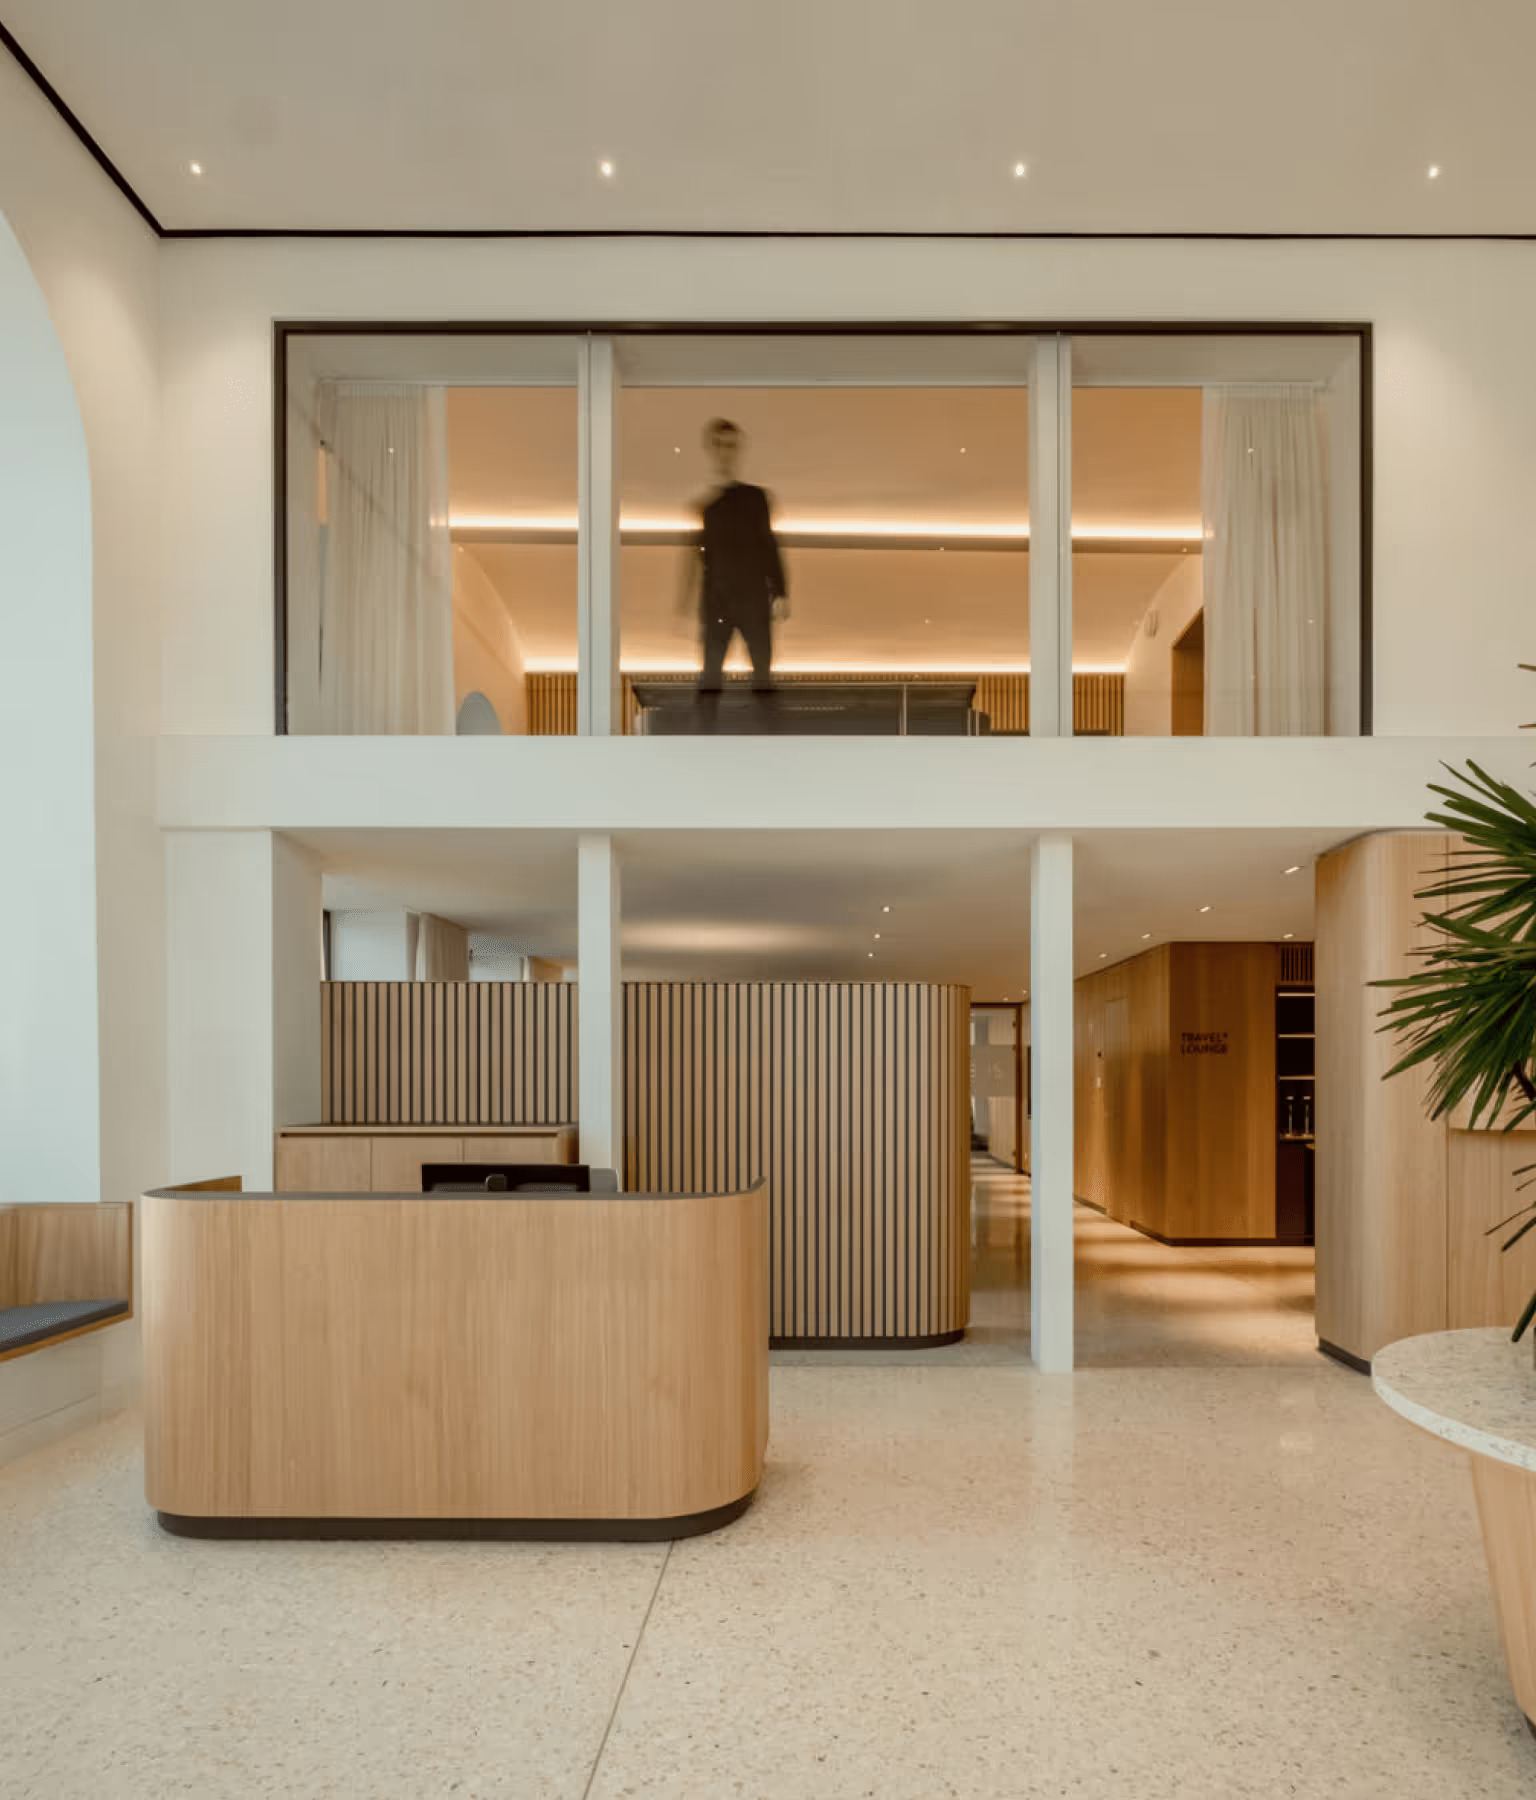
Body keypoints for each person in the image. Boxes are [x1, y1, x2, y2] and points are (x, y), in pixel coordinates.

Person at [680, 418, 789, 704]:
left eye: (730, 446)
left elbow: (767, 543)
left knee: (760, 674)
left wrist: (780, 590)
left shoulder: (753, 499)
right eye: (721, 445)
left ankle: (763, 727)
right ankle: (710, 729)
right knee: (713, 674)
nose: (726, 452)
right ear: (712, 449)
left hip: (750, 597)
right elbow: (705, 559)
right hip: (720, 599)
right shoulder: (709, 507)